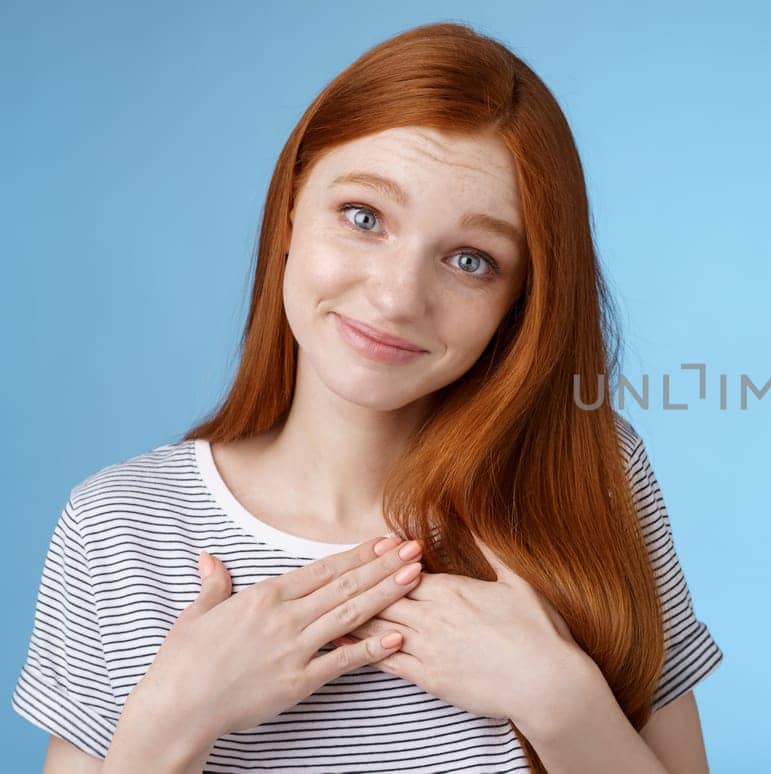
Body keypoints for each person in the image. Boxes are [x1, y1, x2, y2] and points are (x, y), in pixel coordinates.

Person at [10, 21, 724, 774]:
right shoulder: (121, 528)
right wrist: (173, 719)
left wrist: (559, 699)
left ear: (521, 300)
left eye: (471, 260)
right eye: (364, 217)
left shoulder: (590, 476)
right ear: (290, 209)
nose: (396, 297)